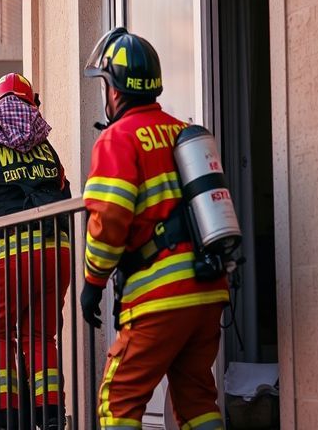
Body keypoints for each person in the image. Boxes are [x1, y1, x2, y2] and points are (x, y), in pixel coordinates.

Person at [81, 28, 230, 430]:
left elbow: (109, 218)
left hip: (160, 297)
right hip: (209, 290)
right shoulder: (181, 131)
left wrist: (93, 282)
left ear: (114, 91)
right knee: (197, 401)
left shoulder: (118, 139)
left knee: (118, 404)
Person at [0, 73, 71, 430]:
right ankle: (50, 413)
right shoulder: (45, 144)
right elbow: (63, 189)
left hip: (12, 251)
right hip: (58, 251)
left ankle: (1, 414)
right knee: (40, 335)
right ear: (30, 104)